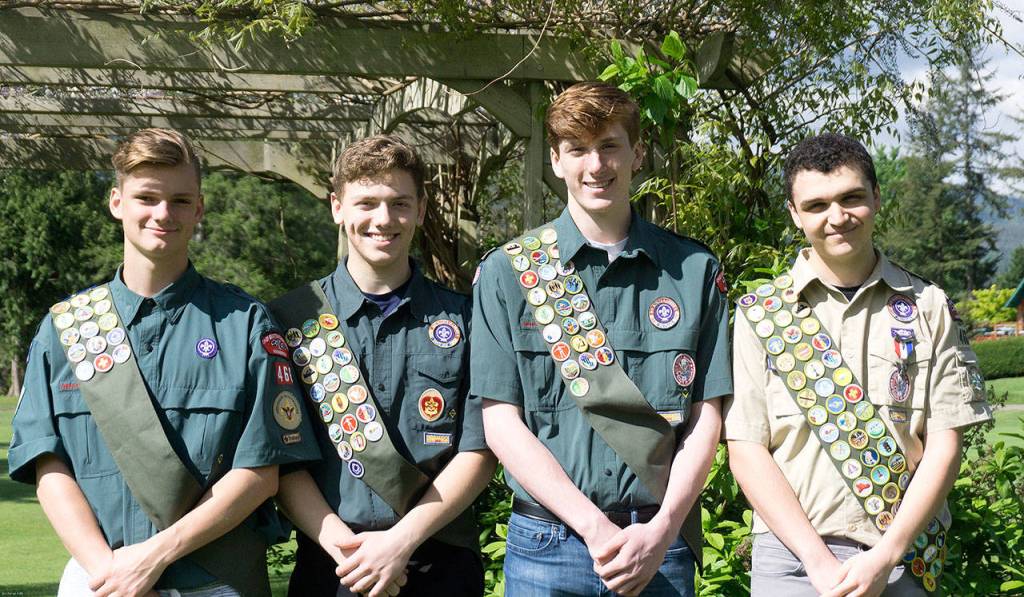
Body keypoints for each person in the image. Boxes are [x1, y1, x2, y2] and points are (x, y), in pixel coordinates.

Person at [8, 128, 320, 597]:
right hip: (102, 582)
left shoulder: (245, 324)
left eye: (179, 200)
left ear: (198, 209)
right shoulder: (66, 329)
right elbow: (47, 464)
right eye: (146, 197)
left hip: (219, 583)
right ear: (116, 202)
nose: (163, 213)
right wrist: (113, 576)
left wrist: (151, 559)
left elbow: (260, 472)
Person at [470, 81, 731, 596]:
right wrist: (594, 527)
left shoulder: (693, 270)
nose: (596, 165)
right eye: (578, 150)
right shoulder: (508, 273)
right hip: (547, 544)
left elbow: (706, 419)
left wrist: (663, 530)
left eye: (610, 145)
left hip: (657, 540)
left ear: (637, 154)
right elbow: (500, 421)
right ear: (556, 160)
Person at [724, 133, 993, 596]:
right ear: (794, 213)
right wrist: (816, 559)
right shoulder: (760, 314)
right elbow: (746, 448)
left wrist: (887, 555)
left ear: (877, 197)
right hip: (790, 561)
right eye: (816, 205)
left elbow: (946, 444)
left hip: (901, 557)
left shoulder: (928, 306)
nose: (837, 217)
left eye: (852, 198)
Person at [271, 134, 495, 597]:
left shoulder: (466, 318)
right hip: (333, 561)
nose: (383, 219)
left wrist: (399, 542)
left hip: (441, 562)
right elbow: (280, 458)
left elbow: (481, 449)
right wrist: (345, 546)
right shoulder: (290, 321)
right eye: (366, 202)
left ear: (421, 208)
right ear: (337, 207)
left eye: (399, 203)